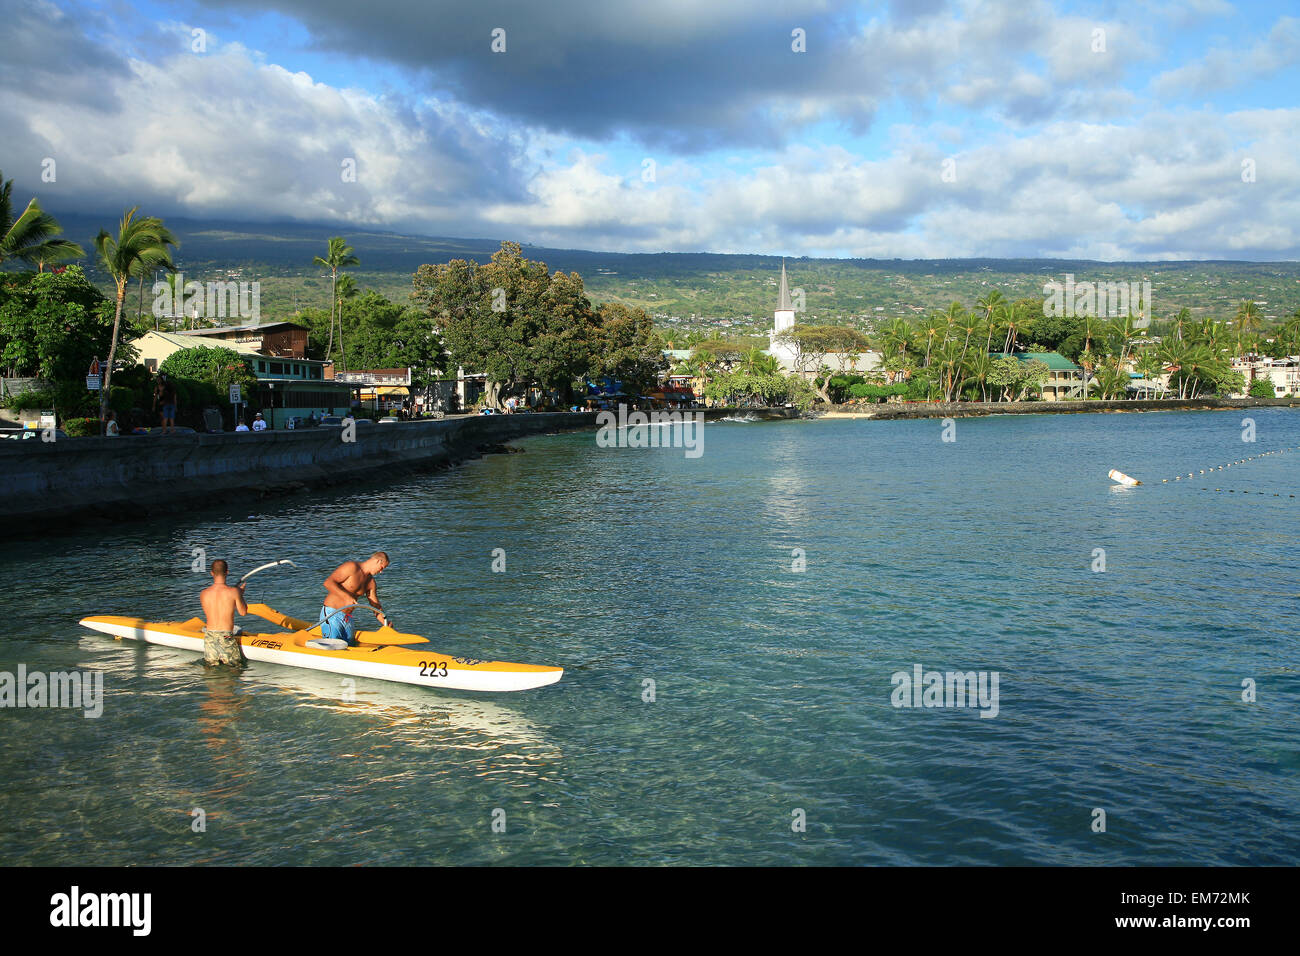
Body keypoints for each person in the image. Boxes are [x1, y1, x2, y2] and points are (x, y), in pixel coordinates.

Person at [319, 552, 390, 647]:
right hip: (332, 614)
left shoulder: (371, 582)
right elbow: (328, 582)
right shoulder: (351, 567)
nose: (381, 571)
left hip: (347, 618)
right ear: (377, 561)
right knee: (333, 647)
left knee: (350, 646)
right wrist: (346, 596)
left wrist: (385, 622)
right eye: (382, 567)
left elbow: (375, 605)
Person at [199, 559, 248, 666]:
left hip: (209, 637)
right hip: (226, 636)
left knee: (210, 671)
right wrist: (240, 595)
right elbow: (243, 612)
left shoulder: (203, 594)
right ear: (227, 572)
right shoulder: (234, 592)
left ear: (212, 573)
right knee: (234, 669)